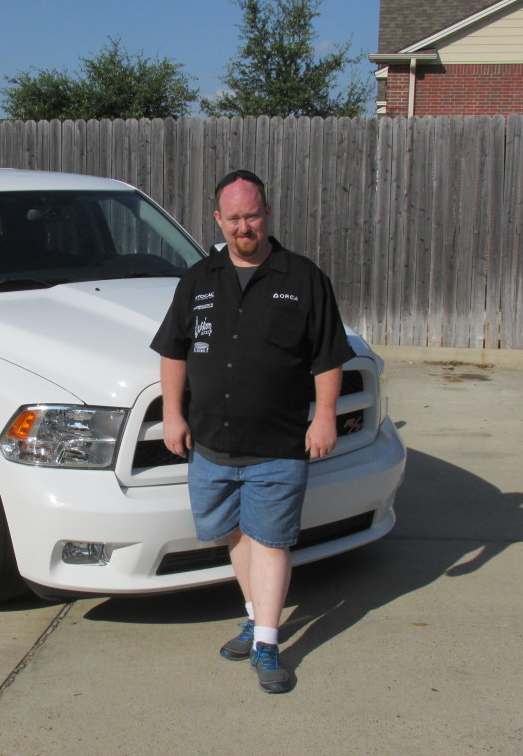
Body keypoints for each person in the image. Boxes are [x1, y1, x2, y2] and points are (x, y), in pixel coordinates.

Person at [150, 169, 354, 694]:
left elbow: (328, 357)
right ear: (218, 219)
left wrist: (325, 415)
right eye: (234, 217)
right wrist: (172, 414)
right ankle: (255, 615)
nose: (245, 226)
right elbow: (174, 351)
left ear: (268, 213)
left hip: (278, 443)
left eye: (253, 215)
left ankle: (267, 643)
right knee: (234, 533)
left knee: (270, 539)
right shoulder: (198, 279)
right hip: (211, 444)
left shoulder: (303, 278)